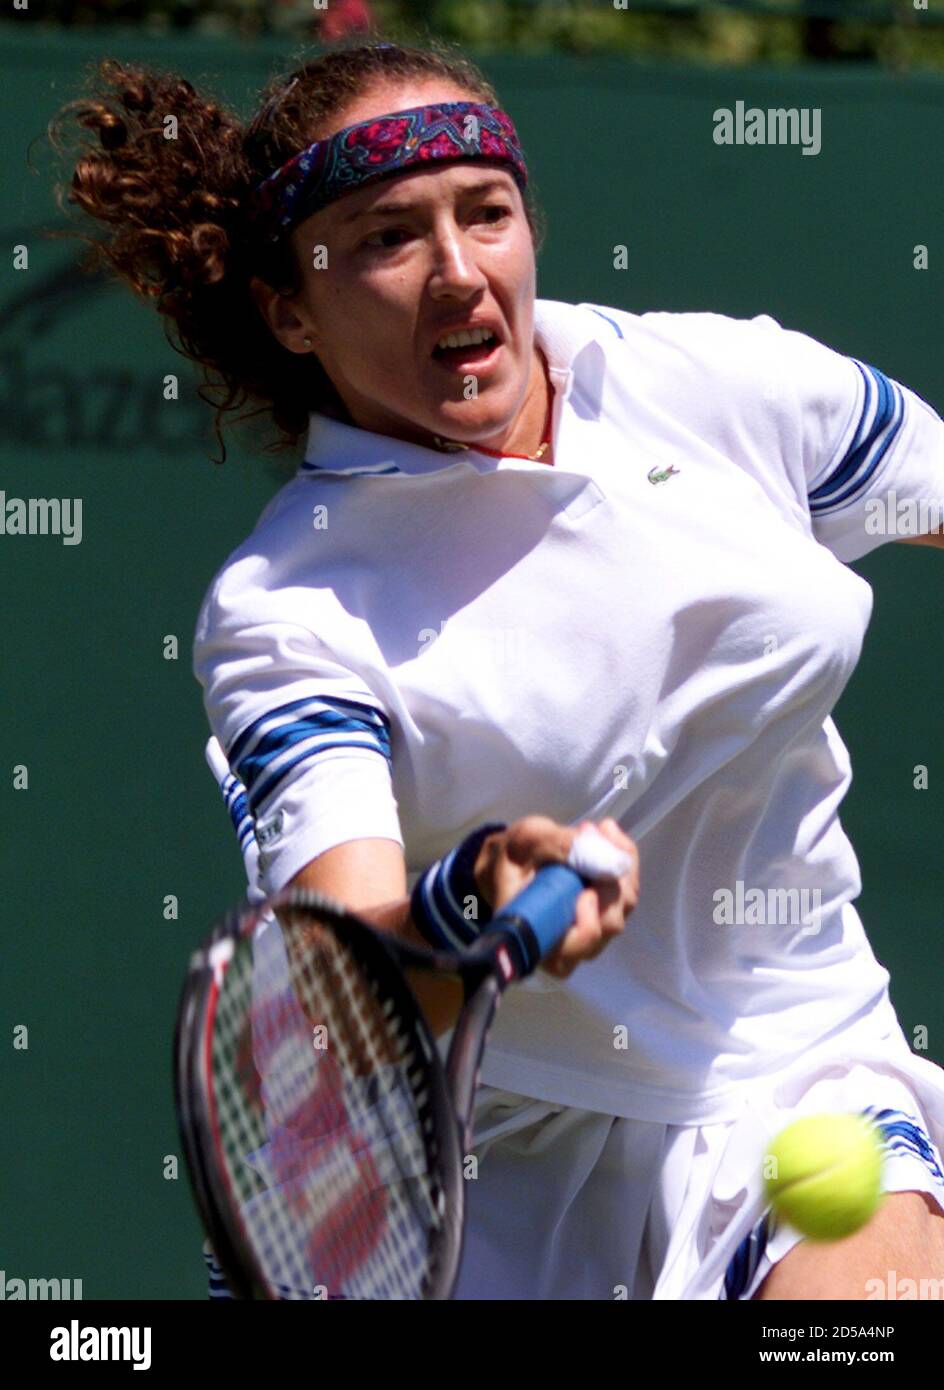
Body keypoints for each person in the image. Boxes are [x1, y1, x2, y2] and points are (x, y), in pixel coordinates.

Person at [57, 37, 944, 1301]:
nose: (457, 272)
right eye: (385, 237)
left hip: (793, 1058)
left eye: (486, 214)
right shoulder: (286, 611)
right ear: (288, 309)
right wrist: (474, 891)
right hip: (488, 1155)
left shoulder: (722, 387)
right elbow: (344, 984)